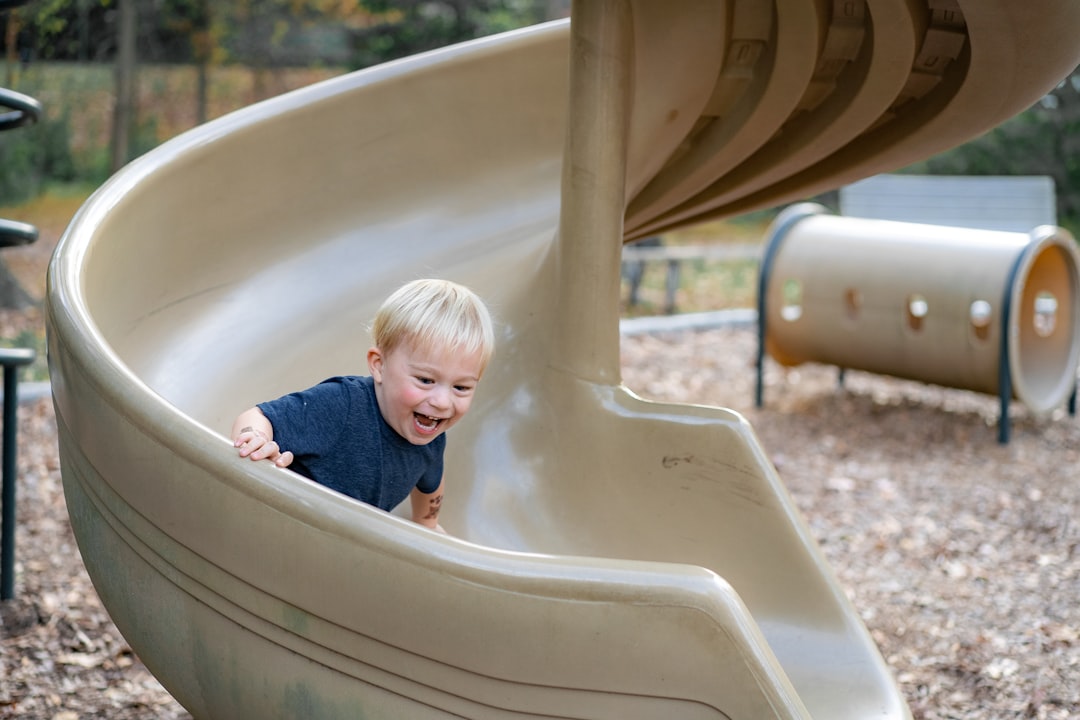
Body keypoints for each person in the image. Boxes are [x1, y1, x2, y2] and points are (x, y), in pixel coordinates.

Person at [231, 278, 494, 533]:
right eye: (425, 380)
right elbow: (257, 416)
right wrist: (254, 437)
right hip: (284, 525)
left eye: (461, 387)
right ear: (379, 365)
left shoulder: (432, 435)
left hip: (346, 542)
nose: (442, 402)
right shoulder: (342, 404)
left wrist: (427, 525)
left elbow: (430, 483)